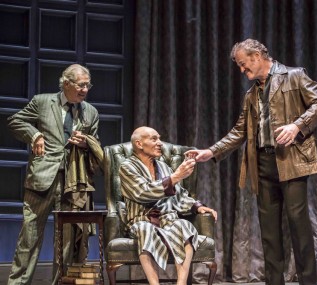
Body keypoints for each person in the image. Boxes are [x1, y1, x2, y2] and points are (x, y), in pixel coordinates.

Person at [185, 39, 317, 285]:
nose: (242, 70)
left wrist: (297, 126)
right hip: (262, 165)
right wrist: (211, 151)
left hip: (291, 161)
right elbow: (239, 131)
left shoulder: (294, 76)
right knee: (269, 233)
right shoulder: (251, 94)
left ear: (257, 56)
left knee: (299, 226)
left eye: (243, 64)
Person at [7, 64, 103, 285]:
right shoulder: (42, 102)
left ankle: (60, 283)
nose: (85, 89)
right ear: (66, 83)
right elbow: (15, 121)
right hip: (42, 179)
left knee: (67, 239)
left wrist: (86, 143)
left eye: (88, 85)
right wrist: (34, 135)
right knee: (29, 237)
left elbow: (96, 144)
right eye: (81, 85)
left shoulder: (91, 111)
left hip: (73, 182)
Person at [119, 126, 217, 285]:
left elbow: (179, 195)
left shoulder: (164, 166)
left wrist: (197, 206)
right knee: (145, 229)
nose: (160, 143)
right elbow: (142, 192)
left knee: (184, 225)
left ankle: (181, 283)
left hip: (167, 219)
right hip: (140, 219)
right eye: (153, 139)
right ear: (139, 144)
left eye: (159, 138)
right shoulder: (127, 167)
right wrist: (175, 177)